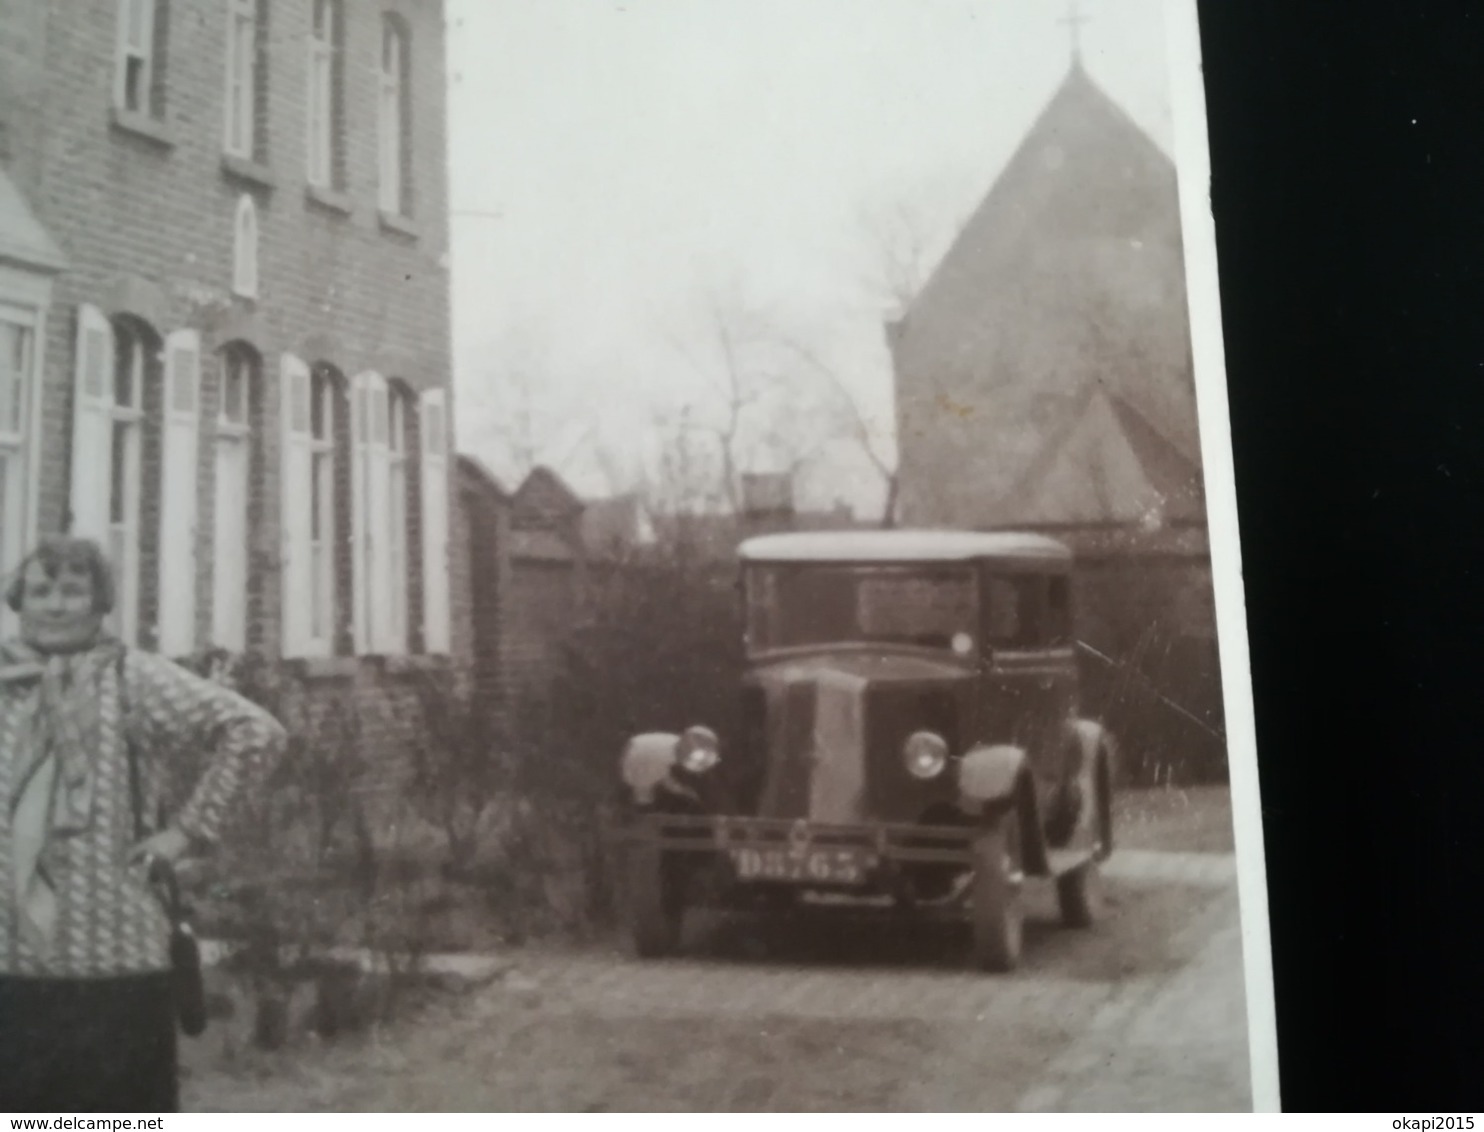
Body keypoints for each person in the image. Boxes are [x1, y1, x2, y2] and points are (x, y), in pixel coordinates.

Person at [0, 536, 287, 1112]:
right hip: (10, 961)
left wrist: (186, 831)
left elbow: (255, 733)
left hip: (118, 955)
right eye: (41, 591)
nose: (55, 606)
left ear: (101, 602)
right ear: (19, 601)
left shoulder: (135, 680)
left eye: (73, 591)